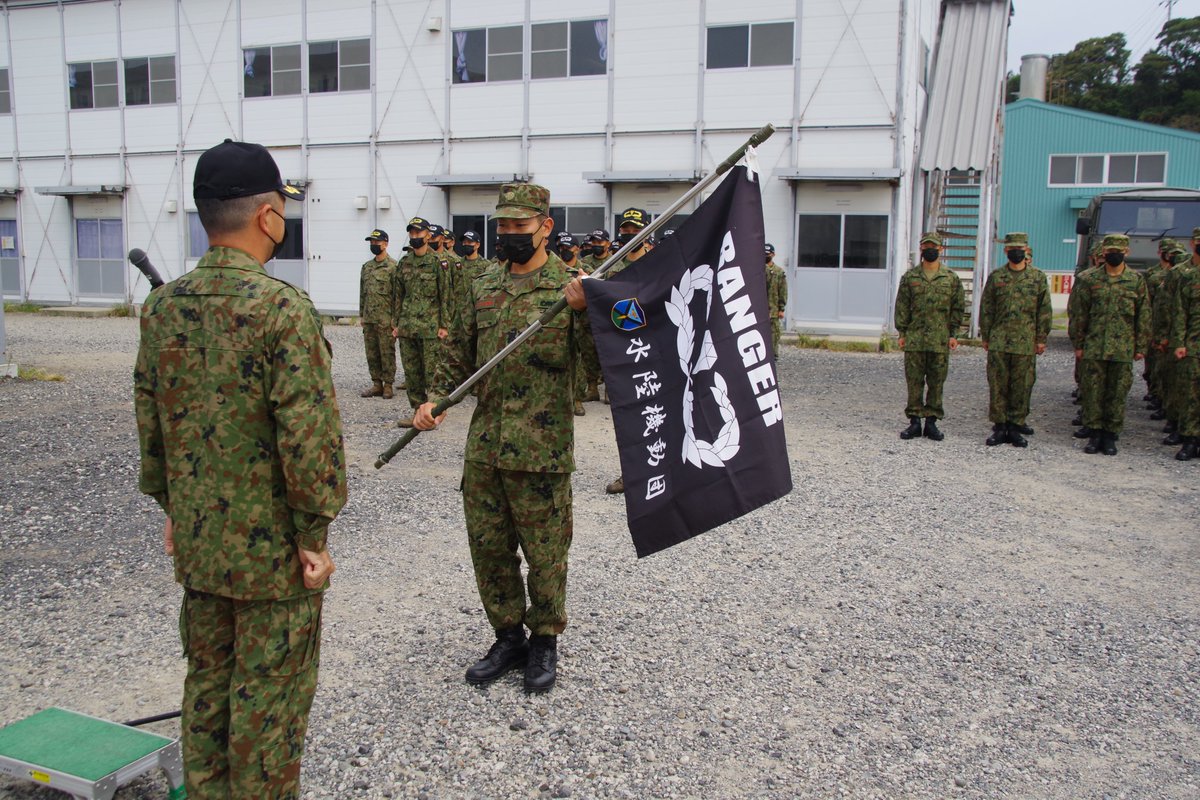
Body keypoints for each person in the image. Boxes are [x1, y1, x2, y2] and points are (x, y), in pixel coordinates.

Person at [134, 139, 347, 799]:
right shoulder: (281, 309)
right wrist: (314, 536)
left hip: (200, 546)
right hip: (274, 560)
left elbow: (154, 426)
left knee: (206, 691)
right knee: (269, 706)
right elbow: (308, 440)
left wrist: (174, 510)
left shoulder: (164, 308)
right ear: (268, 216)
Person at [414, 183, 596, 693]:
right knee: (489, 549)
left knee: (545, 553)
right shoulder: (482, 283)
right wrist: (433, 399)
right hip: (486, 448)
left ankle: (544, 640)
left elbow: (598, 367)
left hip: (542, 449)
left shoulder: (572, 287)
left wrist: (584, 313)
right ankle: (507, 635)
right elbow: (457, 355)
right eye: (505, 226)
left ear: (545, 227)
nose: (511, 234)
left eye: (521, 226)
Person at [1068, 233, 1150, 456]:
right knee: (1092, 392)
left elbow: (1143, 315)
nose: (1114, 255)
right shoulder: (1089, 279)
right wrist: (1078, 343)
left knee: (1117, 392)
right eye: (1110, 251)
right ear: (1103, 253)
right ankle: (1094, 433)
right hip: (1094, 346)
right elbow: (1079, 314)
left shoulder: (1135, 281)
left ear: (1127, 253)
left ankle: (1110, 434)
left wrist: (1141, 346)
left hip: (1122, 348)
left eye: (1118, 251)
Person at [979, 233, 1051, 447]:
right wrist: (986, 335)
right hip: (1000, 340)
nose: (1016, 252)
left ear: (1026, 250)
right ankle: (1000, 427)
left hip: (1025, 342)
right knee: (998, 384)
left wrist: (1041, 338)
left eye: (1019, 248)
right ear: (1006, 251)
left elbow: (1044, 310)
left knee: (1022, 386)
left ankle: (1016, 425)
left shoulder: (1037, 278)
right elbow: (987, 308)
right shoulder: (997, 277)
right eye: (1011, 248)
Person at [893, 232, 965, 441]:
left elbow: (958, 307)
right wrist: (902, 332)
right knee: (914, 381)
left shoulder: (950, 278)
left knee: (936, 382)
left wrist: (954, 334)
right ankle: (915, 421)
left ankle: (932, 421)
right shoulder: (910, 277)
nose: (929, 250)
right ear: (921, 249)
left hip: (939, 339)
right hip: (915, 338)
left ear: (941, 249)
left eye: (934, 246)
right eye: (926, 246)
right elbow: (902, 306)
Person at [601, 208, 653, 494]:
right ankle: (631, 473)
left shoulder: (658, 264)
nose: (630, 235)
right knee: (630, 418)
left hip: (654, 351)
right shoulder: (613, 267)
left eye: (636, 230)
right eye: (626, 230)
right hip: (626, 352)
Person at [393, 217, 449, 427]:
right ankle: (417, 412)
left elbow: (445, 295)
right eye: (412, 233)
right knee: (412, 372)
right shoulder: (404, 263)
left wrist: (444, 325)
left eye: (419, 233)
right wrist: (395, 324)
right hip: (407, 326)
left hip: (430, 327)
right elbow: (398, 295)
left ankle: (433, 412)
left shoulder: (438, 262)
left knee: (432, 372)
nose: (415, 237)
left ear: (428, 235)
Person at [1169, 233, 1200, 461]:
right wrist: (1179, 342)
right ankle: (1189, 439)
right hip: (1193, 345)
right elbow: (1180, 313)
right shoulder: (1189, 277)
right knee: (1191, 394)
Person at [360, 228, 399, 398]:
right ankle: (376, 383)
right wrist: (362, 314)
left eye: (377, 242)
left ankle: (388, 384)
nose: (374, 245)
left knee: (387, 352)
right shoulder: (367, 267)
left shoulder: (393, 267)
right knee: (372, 352)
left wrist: (395, 319)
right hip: (369, 318)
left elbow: (398, 296)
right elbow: (363, 292)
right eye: (372, 242)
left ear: (386, 244)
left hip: (385, 318)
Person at [1143, 238, 1179, 416]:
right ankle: (1156, 393)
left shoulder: (1181, 275)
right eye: (1169, 253)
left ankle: (1168, 405)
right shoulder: (1153, 275)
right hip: (1157, 325)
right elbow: (1147, 304)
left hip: (1176, 331)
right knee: (1155, 365)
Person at [764, 243, 788, 356]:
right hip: (759, 309)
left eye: (767, 254)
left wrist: (781, 308)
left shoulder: (779, 271)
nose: (765, 256)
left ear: (773, 254)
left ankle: (773, 355)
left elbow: (782, 291)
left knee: (774, 333)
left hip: (773, 309)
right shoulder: (755, 270)